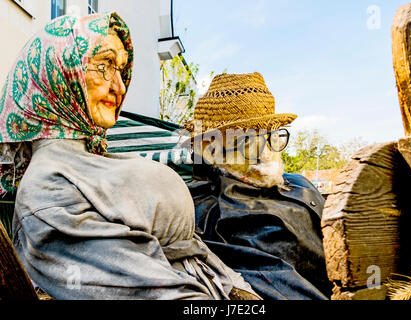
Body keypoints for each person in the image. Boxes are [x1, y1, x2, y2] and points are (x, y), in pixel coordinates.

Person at [0, 13, 259, 300]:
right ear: (59, 73)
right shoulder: (49, 190)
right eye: (104, 65)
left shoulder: (89, 162)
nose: (120, 87)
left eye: (121, 70)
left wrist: (239, 291)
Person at [183, 72, 332, 300]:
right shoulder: (208, 211)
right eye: (247, 141)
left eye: (271, 136)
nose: (264, 151)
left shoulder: (299, 182)